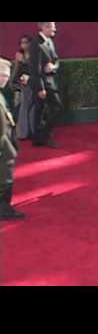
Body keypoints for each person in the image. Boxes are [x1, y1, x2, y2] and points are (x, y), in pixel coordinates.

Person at [28, 22, 63, 148]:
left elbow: (56, 60)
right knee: (55, 107)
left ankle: (39, 138)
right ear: (44, 27)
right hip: (42, 84)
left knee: (41, 110)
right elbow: (34, 69)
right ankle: (44, 136)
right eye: (52, 27)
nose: (55, 29)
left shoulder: (49, 41)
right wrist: (40, 88)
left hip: (50, 82)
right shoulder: (35, 43)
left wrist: (53, 66)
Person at [0, 58, 25, 221]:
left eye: (7, 76)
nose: (5, 78)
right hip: (3, 146)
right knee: (5, 179)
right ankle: (4, 209)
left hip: (7, 143)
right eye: (2, 75)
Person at [11, 35, 34, 140]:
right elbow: (16, 70)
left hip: (33, 84)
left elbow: (35, 69)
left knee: (32, 109)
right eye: (22, 42)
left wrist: (24, 60)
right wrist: (13, 83)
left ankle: (31, 131)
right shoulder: (19, 55)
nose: (23, 45)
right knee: (22, 109)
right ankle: (22, 133)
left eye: (26, 42)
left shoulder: (35, 54)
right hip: (21, 85)